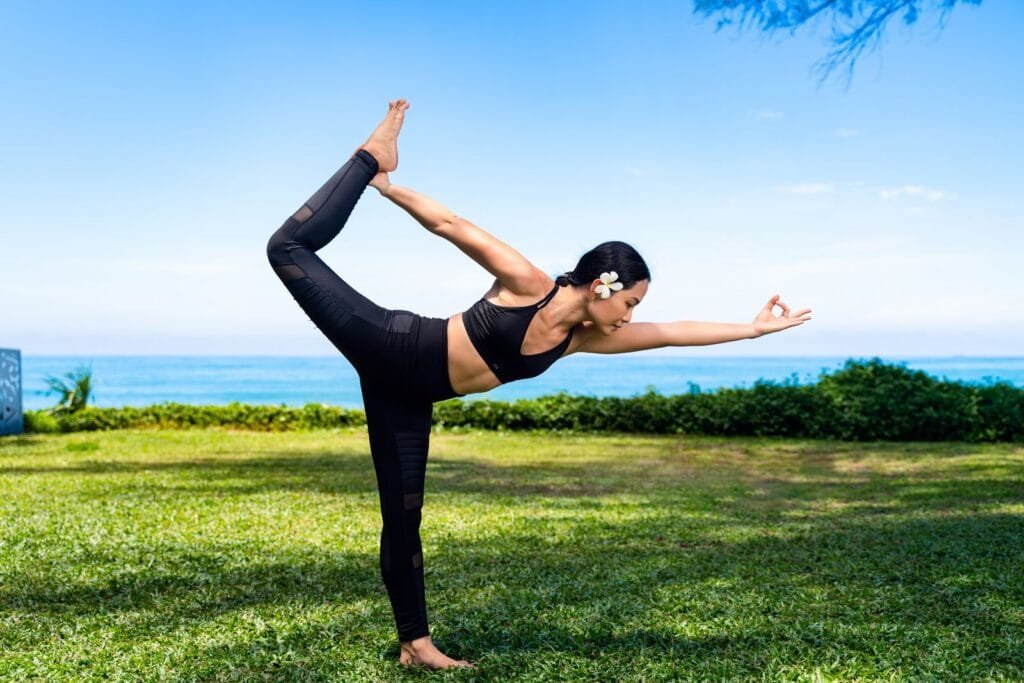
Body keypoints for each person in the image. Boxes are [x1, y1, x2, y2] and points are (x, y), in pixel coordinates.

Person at [266, 99, 812, 670]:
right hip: (391, 343)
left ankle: (415, 645)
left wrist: (753, 329)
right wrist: (384, 185)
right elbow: (449, 225)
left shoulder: (581, 338)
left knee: (403, 517)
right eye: (629, 301)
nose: (630, 316)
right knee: (286, 249)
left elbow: (670, 333)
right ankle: (367, 157)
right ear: (604, 285)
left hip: (406, 397)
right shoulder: (528, 285)